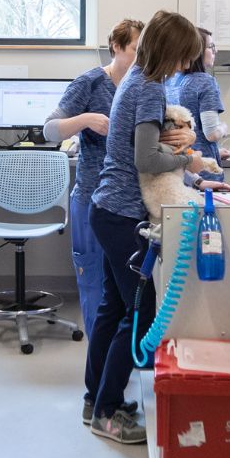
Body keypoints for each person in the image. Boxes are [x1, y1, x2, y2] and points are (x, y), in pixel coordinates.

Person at [84, 12, 216, 443]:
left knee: (112, 307)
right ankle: (106, 412)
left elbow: (148, 152)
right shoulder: (148, 88)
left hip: (109, 208)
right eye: (183, 58)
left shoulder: (138, 80)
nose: (184, 67)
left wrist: (192, 177)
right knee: (137, 313)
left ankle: (96, 398)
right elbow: (146, 160)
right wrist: (188, 161)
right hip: (122, 214)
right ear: (170, 50)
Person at [43, 18, 143, 344]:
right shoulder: (90, 83)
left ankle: (118, 363)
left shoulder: (143, 86)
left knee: (126, 287)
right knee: (94, 283)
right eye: (134, 50)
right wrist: (85, 119)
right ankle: (98, 370)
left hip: (129, 204)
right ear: (115, 46)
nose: (139, 58)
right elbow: (49, 130)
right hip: (92, 198)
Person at [163, 24, 227, 165]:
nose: (215, 51)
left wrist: (216, 151)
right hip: (201, 166)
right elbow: (211, 134)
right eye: (211, 47)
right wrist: (223, 128)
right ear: (196, 51)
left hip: (176, 160)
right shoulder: (205, 82)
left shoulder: (169, 79)